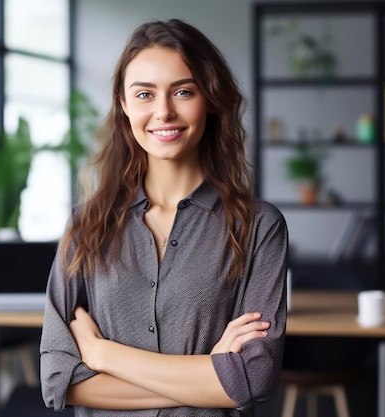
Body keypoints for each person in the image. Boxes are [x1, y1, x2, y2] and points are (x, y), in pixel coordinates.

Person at [40, 18, 288, 417]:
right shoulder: (85, 225)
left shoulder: (259, 226)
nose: (163, 112)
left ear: (210, 99)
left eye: (183, 91)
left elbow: (254, 379)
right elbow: (58, 379)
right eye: (144, 94)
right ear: (123, 105)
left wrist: (102, 354)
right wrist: (211, 378)